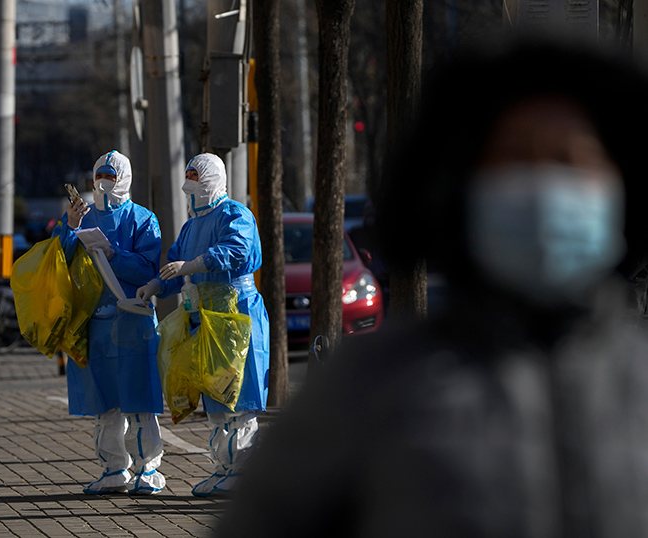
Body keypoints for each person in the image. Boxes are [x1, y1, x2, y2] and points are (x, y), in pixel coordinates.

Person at [215, 39, 648, 537]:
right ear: (460, 184)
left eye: (570, 161)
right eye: (514, 158)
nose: (542, 185)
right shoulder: (367, 386)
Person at [136, 153, 270, 497]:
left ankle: (241, 472)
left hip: (236, 316)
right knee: (216, 398)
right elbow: (175, 267)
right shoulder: (191, 225)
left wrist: (195, 264)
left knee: (237, 399)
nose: (190, 184)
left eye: (197, 177)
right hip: (206, 318)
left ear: (212, 179)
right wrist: (155, 286)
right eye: (188, 176)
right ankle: (224, 468)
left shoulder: (235, 215)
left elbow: (237, 251)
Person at [51, 150, 166, 495]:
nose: (103, 183)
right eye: (99, 176)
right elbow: (58, 261)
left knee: (141, 399)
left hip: (133, 321)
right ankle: (114, 468)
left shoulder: (143, 219)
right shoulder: (81, 218)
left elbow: (148, 268)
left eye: (111, 177)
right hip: (94, 324)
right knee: (104, 402)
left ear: (125, 179)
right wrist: (69, 227)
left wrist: (115, 255)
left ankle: (148, 468)